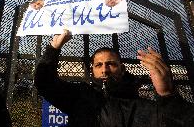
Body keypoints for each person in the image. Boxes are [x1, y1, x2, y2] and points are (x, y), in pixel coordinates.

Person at [35, 30, 194, 127]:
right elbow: (44, 84)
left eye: (111, 64)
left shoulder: (143, 106)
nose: (104, 69)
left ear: (122, 68)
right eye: (98, 65)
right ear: (92, 71)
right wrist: (53, 49)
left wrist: (167, 94)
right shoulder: (78, 97)